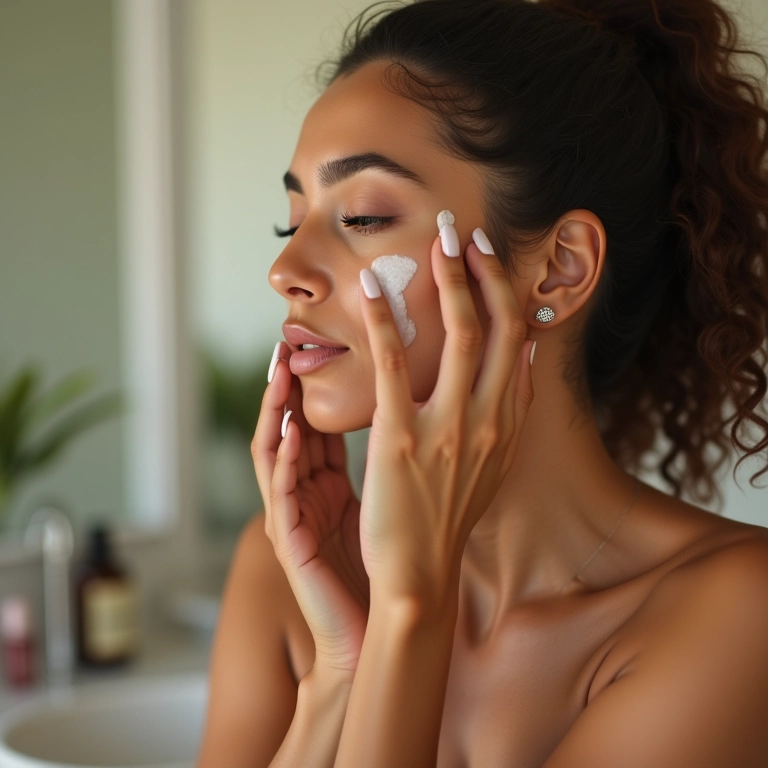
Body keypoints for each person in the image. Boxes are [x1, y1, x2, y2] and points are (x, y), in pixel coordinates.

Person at [196, 0, 768, 765]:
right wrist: (340, 674)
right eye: (291, 220)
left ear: (560, 269)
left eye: (362, 216)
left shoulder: (735, 613)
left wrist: (409, 609)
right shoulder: (284, 568)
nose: (285, 270)